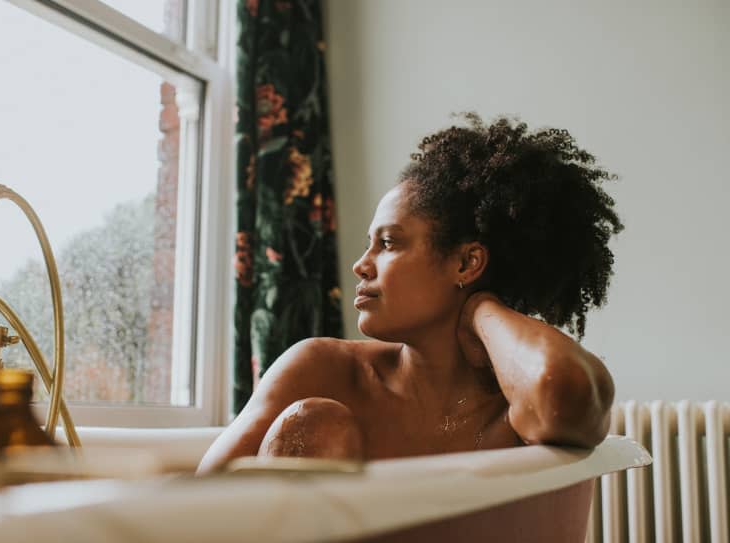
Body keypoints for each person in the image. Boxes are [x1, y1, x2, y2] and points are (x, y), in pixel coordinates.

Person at [197, 113, 623, 474]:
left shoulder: (517, 409)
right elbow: (200, 508)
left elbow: (564, 391)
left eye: (388, 243)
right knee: (317, 423)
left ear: (465, 263)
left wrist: (482, 309)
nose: (361, 265)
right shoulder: (321, 370)